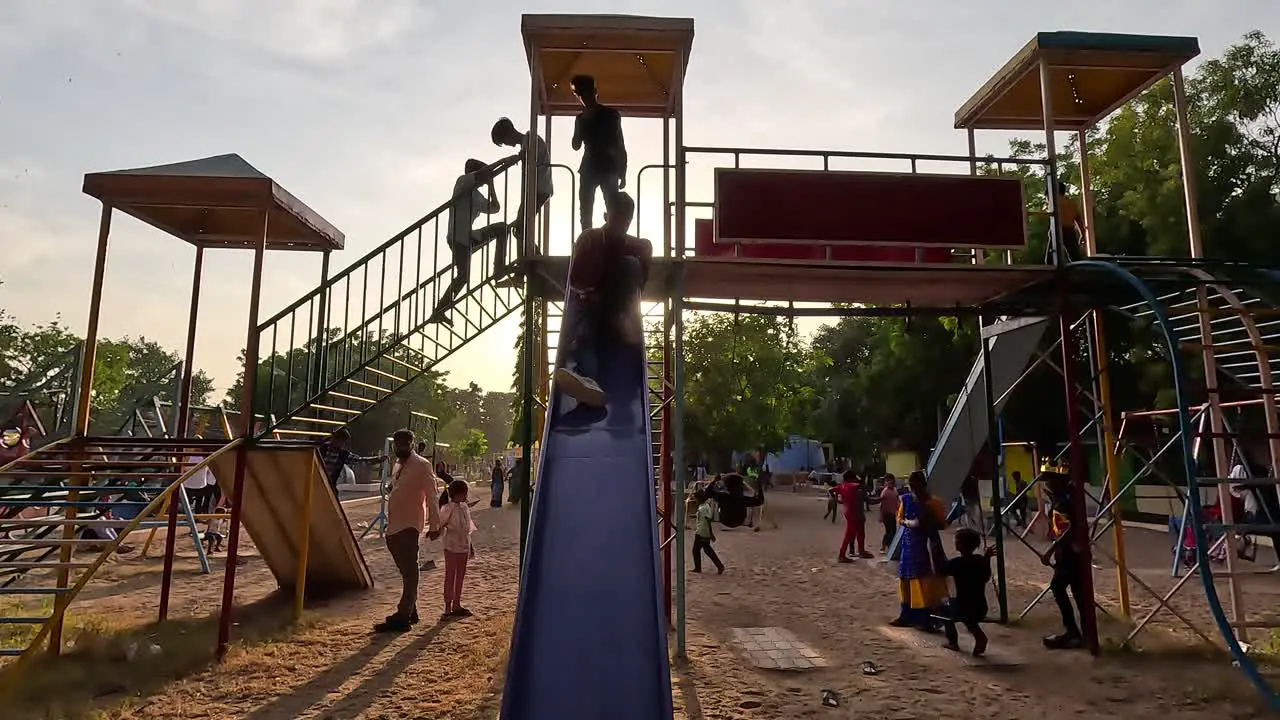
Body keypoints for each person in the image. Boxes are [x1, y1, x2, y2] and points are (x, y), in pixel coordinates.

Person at [553, 192, 651, 408]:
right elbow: (575, 280)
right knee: (587, 330)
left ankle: (590, 381)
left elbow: (642, 259)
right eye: (617, 219)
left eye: (625, 221)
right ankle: (586, 381)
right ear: (607, 215)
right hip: (591, 306)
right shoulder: (590, 238)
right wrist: (590, 293)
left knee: (630, 264)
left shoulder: (634, 246)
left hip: (618, 313)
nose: (621, 225)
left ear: (630, 221)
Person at [375, 429, 441, 633]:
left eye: (405, 443)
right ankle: (411, 609)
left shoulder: (422, 465)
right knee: (406, 571)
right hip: (394, 525)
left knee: (410, 572)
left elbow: (432, 495)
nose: (401, 447)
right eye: (398, 443)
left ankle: (402, 616)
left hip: (410, 525)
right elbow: (397, 487)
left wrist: (435, 524)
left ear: (412, 444)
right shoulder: (398, 465)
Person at [429, 158, 509, 326]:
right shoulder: (463, 182)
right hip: (457, 237)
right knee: (463, 276)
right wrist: (505, 161)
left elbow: (495, 208)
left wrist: (491, 185)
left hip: (470, 236)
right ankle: (439, 311)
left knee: (502, 228)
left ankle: (498, 271)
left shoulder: (478, 195)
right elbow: (484, 172)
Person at [892, 470, 950, 629]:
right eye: (911, 485)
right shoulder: (906, 500)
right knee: (906, 578)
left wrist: (926, 522)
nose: (913, 488)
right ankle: (906, 615)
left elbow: (942, 524)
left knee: (927, 579)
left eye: (916, 485)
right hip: (909, 543)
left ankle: (927, 617)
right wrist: (911, 523)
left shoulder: (934, 502)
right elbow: (900, 518)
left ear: (923, 485)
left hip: (928, 544)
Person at [570, 74, 627, 231]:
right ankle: (587, 242)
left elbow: (618, 143)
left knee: (612, 209)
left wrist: (622, 170)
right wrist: (582, 124)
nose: (583, 98)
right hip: (592, 168)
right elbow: (575, 144)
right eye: (580, 95)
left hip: (606, 167)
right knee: (586, 211)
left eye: (585, 94)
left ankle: (611, 241)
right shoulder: (581, 119)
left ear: (594, 92)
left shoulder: (611, 115)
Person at [491, 117, 553, 258]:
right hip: (536, 190)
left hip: (540, 189)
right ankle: (530, 257)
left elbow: (534, 156)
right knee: (521, 227)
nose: (507, 144)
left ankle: (532, 259)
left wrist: (520, 156)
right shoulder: (526, 143)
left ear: (508, 133)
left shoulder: (532, 138)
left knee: (520, 227)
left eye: (504, 141)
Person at [1041, 471, 1086, 649]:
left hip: (1067, 552)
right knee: (1077, 593)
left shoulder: (1062, 502)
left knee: (1059, 587)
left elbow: (1067, 530)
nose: (1046, 486)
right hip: (1068, 551)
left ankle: (1073, 632)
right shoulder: (1065, 499)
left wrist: (1049, 551)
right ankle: (1082, 633)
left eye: (1049, 481)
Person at [940, 528, 993, 656]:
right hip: (981, 607)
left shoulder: (956, 563)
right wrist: (987, 558)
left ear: (961, 545)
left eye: (957, 541)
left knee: (943, 606)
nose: (955, 543)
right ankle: (978, 635)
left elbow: (942, 570)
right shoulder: (980, 560)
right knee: (969, 616)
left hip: (962, 607)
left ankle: (953, 641)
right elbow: (986, 576)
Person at [439, 479, 477, 618]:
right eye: (463, 493)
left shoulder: (464, 507)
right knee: (450, 576)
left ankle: (457, 604)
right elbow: (440, 525)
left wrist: (470, 546)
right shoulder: (447, 508)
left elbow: (468, 528)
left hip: (463, 546)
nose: (465, 496)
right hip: (451, 546)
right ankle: (448, 606)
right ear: (456, 494)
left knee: (460, 577)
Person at [318, 429, 386, 494]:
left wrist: (377, 459)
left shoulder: (343, 454)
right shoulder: (321, 449)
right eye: (339, 440)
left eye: (343, 442)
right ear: (333, 438)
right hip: (316, 480)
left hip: (329, 485)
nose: (341, 444)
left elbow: (359, 460)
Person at [833, 470, 872, 561]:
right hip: (854, 513)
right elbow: (860, 485)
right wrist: (860, 480)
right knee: (850, 535)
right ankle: (842, 555)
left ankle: (861, 551)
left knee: (860, 533)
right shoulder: (851, 485)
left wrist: (838, 500)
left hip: (852, 512)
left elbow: (831, 490)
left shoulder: (842, 486)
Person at [691, 489, 725, 574]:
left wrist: (711, 533)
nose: (695, 501)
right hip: (702, 531)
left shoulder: (703, 508)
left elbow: (708, 521)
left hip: (702, 532)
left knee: (698, 550)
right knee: (706, 550)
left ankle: (700, 568)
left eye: (696, 499)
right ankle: (718, 566)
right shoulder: (705, 506)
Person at [878, 474, 900, 553]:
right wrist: (881, 516)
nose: (890, 483)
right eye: (888, 481)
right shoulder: (885, 492)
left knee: (893, 531)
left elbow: (897, 501)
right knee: (888, 531)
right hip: (886, 514)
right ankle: (883, 547)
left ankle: (892, 547)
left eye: (891, 481)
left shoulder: (895, 490)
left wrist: (899, 509)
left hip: (893, 513)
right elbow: (881, 505)